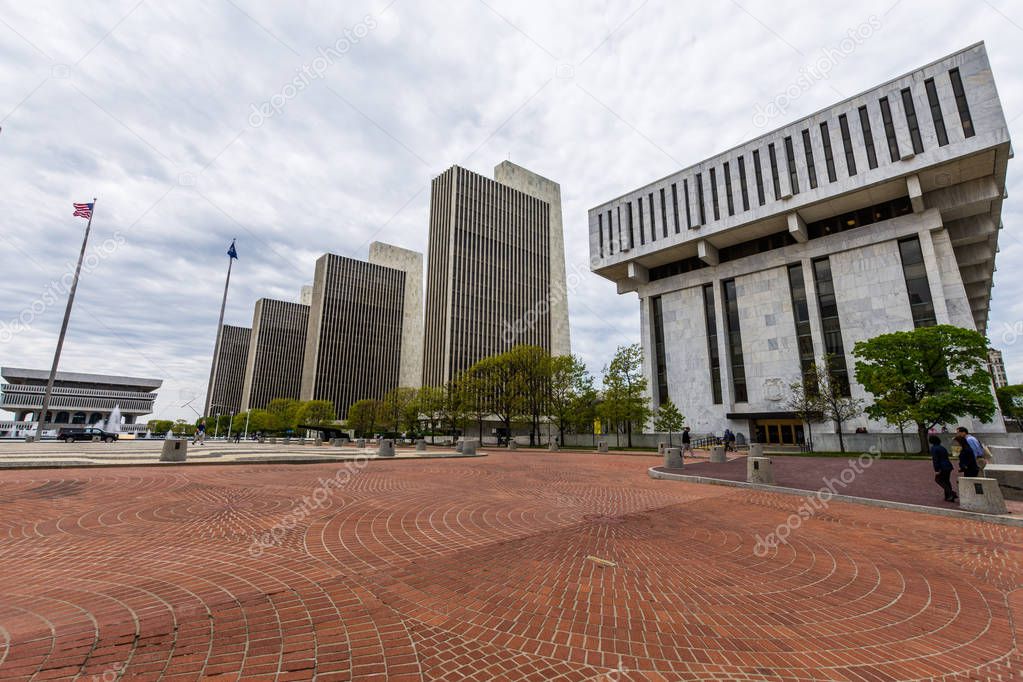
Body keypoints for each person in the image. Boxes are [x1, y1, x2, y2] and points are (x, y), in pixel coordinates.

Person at [929, 435, 957, 502]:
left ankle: (951, 493)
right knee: (946, 481)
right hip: (948, 465)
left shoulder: (934, 448)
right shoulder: (942, 447)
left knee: (938, 480)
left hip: (942, 467)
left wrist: (936, 469)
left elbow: (935, 460)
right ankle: (948, 496)